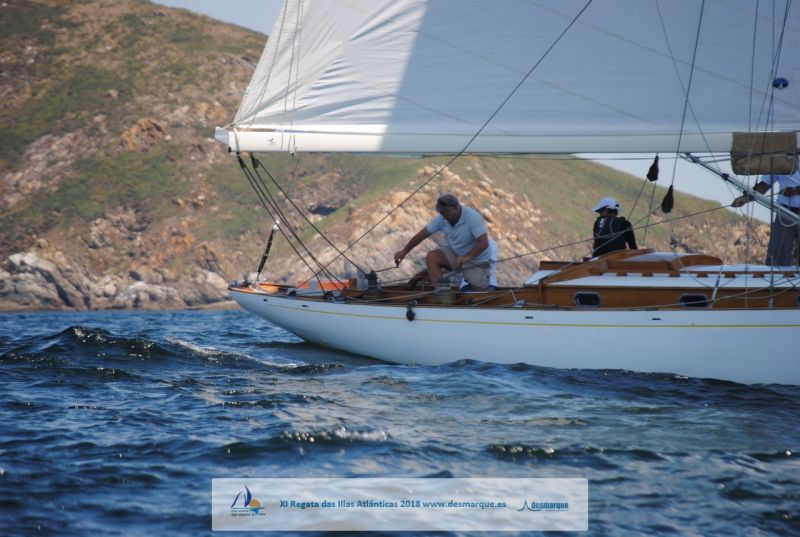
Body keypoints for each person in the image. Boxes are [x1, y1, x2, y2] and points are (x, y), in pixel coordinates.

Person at [393, 193, 491, 290]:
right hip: (457, 255)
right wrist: (404, 251)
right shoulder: (443, 218)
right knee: (432, 256)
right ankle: (442, 292)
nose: (445, 218)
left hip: (476, 261)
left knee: (479, 292)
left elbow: (483, 244)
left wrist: (467, 257)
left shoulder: (473, 218)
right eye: (443, 214)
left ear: (457, 208)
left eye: (447, 214)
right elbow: (422, 235)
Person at [732, 169, 800, 266]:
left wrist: (796, 190)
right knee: (777, 256)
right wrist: (746, 198)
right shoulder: (781, 162)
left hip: (787, 212)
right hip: (785, 212)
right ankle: (777, 273)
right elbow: (764, 184)